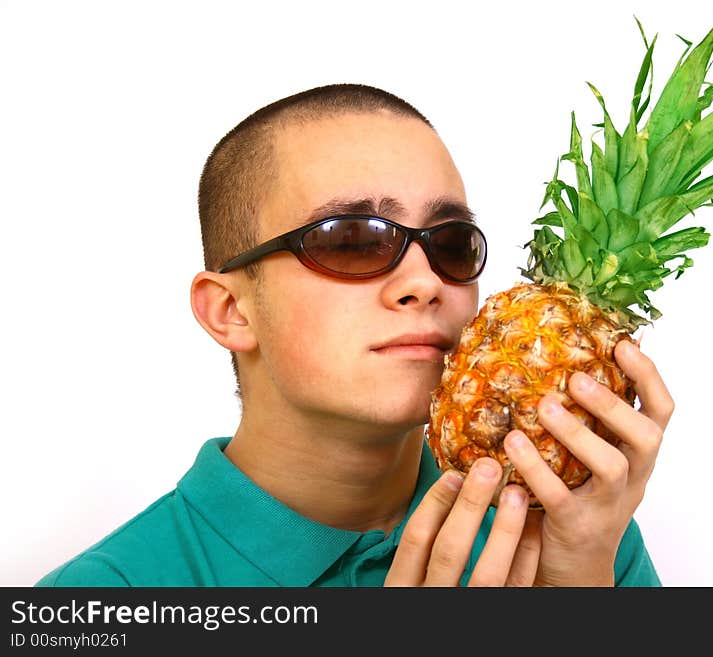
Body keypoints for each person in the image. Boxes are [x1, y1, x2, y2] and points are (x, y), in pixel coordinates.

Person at [36, 84, 672, 587]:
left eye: (450, 243)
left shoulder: (577, 532)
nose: (423, 281)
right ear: (230, 309)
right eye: (353, 239)